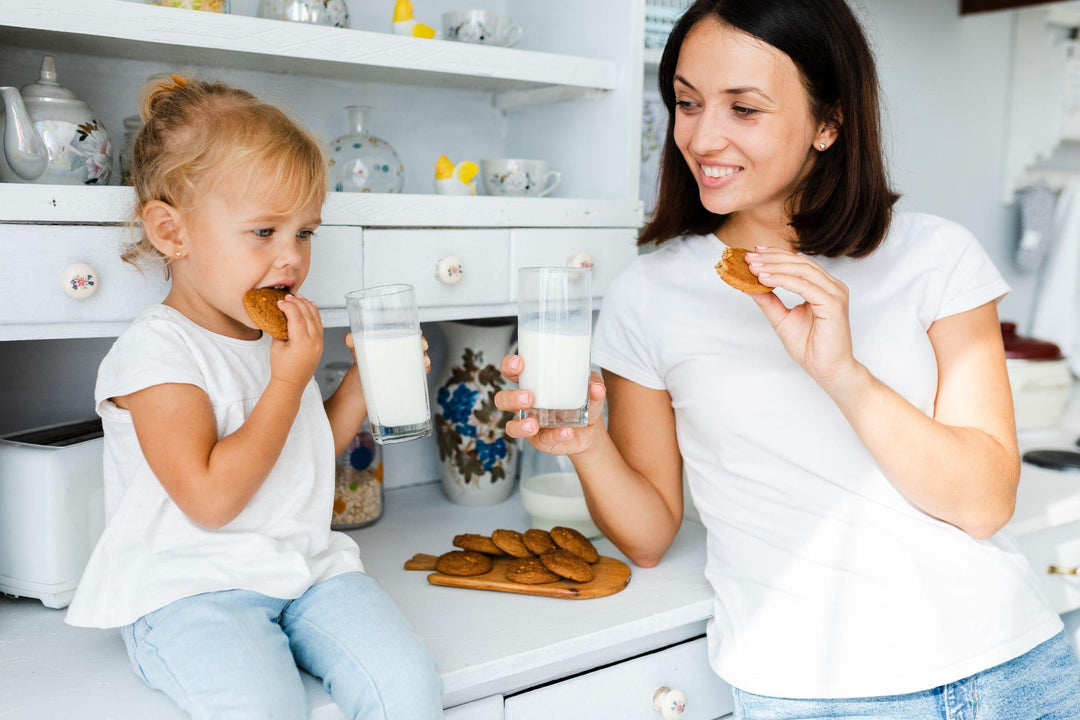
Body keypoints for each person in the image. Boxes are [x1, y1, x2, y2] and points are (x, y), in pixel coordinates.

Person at [495, 0, 1080, 717]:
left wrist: (843, 373)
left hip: (1013, 662)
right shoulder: (648, 295)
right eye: (686, 103)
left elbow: (985, 504)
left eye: (744, 109)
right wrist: (585, 443)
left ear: (829, 122)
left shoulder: (937, 257)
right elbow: (648, 535)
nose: (703, 136)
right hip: (818, 691)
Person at [64, 75, 444, 720]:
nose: (291, 257)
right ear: (170, 232)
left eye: (305, 233)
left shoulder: (272, 337)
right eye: (264, 231)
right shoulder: (157, 352)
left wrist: (360, 385)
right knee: (262, 707)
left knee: (407, 688)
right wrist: (289, 380)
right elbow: (211, 500)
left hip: (306, 571)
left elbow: (302, 455)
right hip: (192, 588)